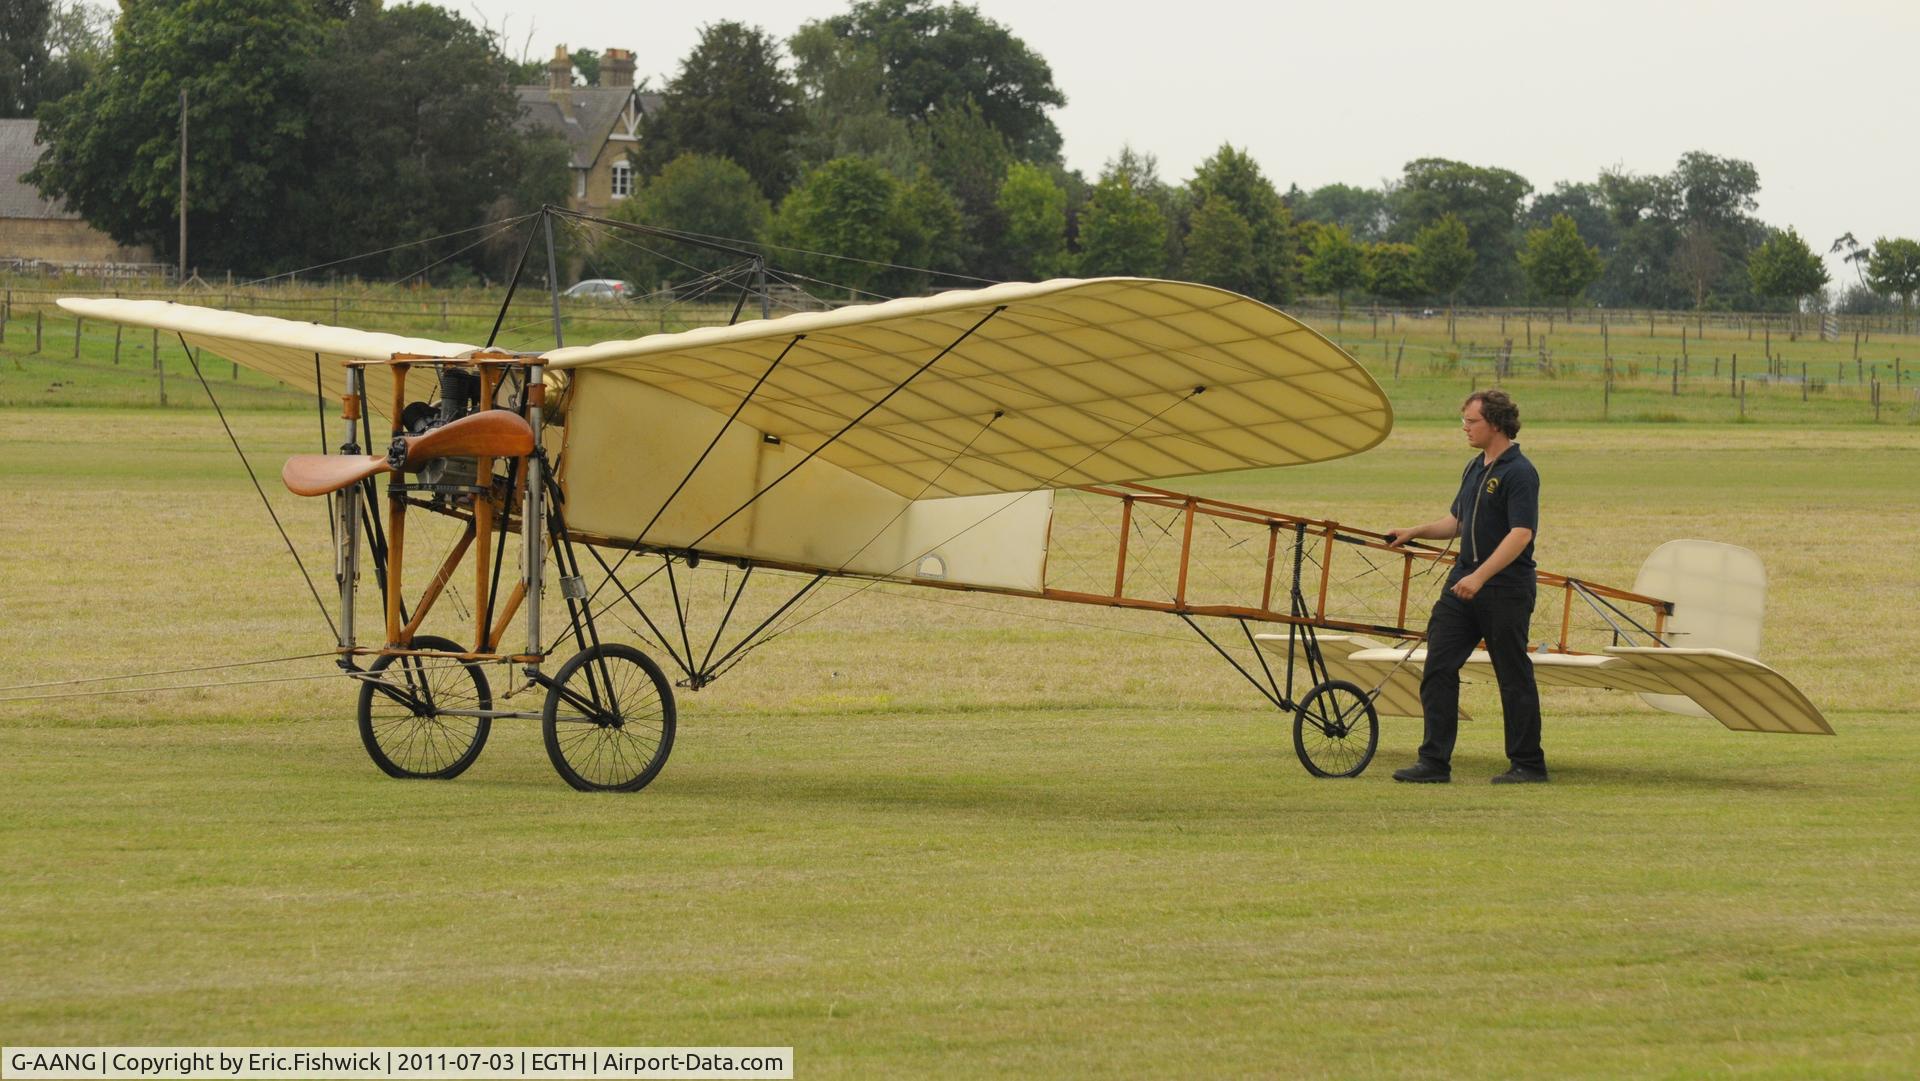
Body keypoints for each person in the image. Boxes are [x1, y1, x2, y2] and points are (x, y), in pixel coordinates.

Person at [1382, 390, 1548, 784]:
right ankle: (1434, 762)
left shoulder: (1519, 472)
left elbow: (1520, 535)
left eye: (1471, 422)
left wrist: (1481, 576)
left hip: (1504, 589)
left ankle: (1528, 764)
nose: (1465, 428)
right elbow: (1457, 522)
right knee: (1438, 667)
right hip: (1462, 585)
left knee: (1512, 674)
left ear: (1494, 423)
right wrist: (1414, 531)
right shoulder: (1475, 467)